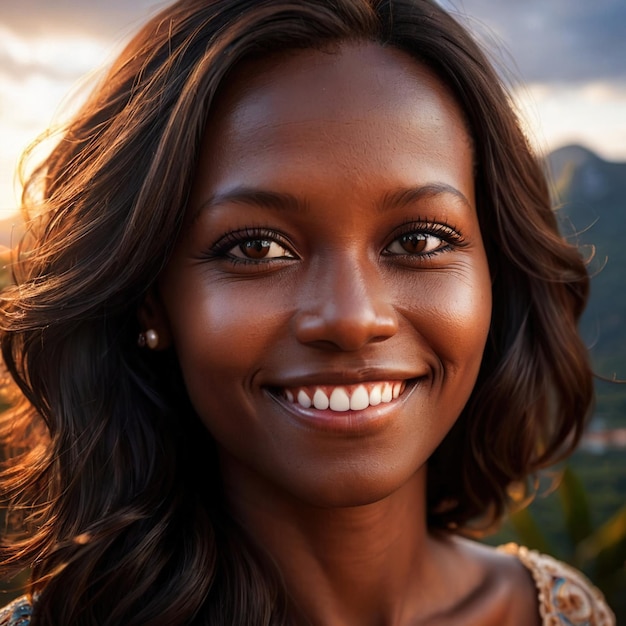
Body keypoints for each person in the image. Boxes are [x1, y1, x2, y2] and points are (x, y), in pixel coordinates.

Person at [0, 0, 616, 624]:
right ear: (150, 299)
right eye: (257, 248)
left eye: (418, 241)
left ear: (495, 276)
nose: (351, 318)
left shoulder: (562, 613)